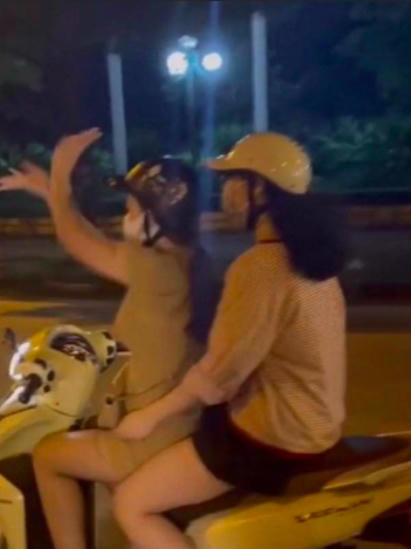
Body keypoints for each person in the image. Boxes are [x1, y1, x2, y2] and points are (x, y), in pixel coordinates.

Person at [112, 132, 348, 549]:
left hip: (271, 440)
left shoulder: (260, 268)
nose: (224, 192)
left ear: (259, 190)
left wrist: (148, 417)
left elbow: (220, 375)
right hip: (315, 428)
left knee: (132, 503)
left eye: (232, 179)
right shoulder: (312, 263)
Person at [0, 128, 219, 549]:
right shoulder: (191, 260)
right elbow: (95, 241)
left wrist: (59, 177)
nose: (125, 215)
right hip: (183, 424)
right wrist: (53, 197)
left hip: (151, 437)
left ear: (157, 217)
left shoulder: (156, 270)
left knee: (48, 455)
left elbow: (80, 242)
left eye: (133, 206)